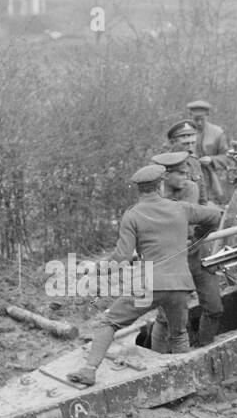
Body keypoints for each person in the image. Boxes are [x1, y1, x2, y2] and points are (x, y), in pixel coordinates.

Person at [67, 164, 221, 386]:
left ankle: (90, 370)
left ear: (138, 189)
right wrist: (194, 240)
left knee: (110, 322)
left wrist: (97, 269)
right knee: (178, 334)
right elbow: (215, 216)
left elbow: (121, 257)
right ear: (160, 184)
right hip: (179, 285)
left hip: (148, 284)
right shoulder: (180, 208)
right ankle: (186, 383)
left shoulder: (132, 215)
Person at [153, 150, 224, 346]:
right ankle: (157, 360)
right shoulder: (153, 197)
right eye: (181, 174)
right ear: (166, 176)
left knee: (214, 307)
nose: (187, 177)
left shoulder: (190, 187)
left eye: (187, 173)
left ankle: (204, 348)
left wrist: (198, 236)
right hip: (170, 262)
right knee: (166, 318)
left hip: (196, 255)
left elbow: (195, 216)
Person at [187, 100, 231, 205]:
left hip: (212, 180)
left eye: (202, 119)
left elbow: (227, 157)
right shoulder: (184, 133)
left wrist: (212, 160)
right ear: (190, 116)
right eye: (196, 119)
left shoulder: (217, 133)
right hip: (189, 178)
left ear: (207, 116)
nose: (199, 123)